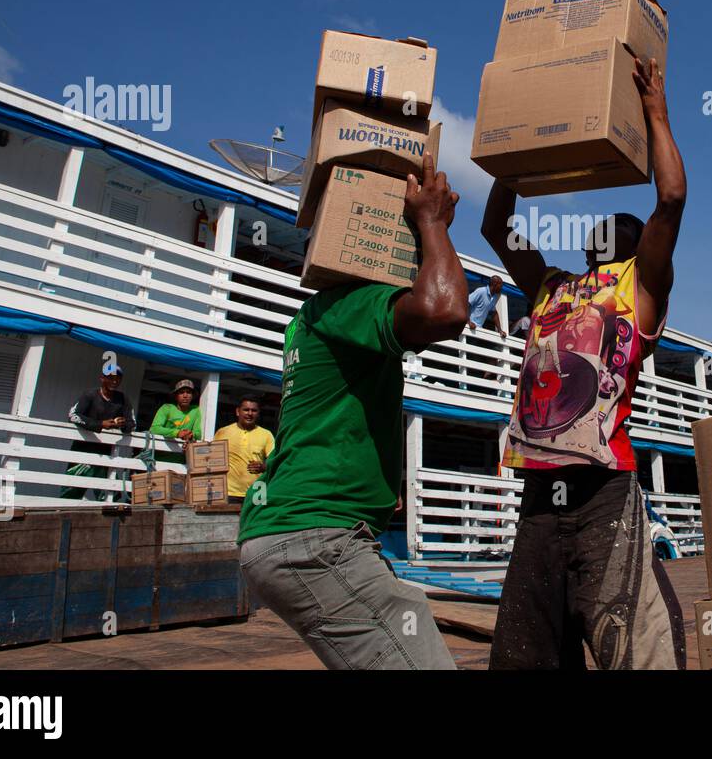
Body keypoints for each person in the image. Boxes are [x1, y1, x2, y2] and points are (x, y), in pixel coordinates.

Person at [480, 55, 688, 670]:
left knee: (634, 652)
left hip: (604, 490)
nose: (608, 225)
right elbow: (497, 224)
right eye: (603, 222)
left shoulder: (637, 287)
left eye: (625, 224)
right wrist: (520, 143)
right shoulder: (549, 285)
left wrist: (654, 110)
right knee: (525, 655)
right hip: (540, 494)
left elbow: (671, 198)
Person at [239, 153, 468, 670]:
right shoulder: (349, 302)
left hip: (289, 533)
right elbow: (445, 310)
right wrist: (431, 222)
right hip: (314, 538)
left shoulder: (312, 316)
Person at [63, 364, 135, 499]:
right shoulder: (90, 395)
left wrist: (121, 423)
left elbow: (132, 423)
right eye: (111, 378)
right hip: (82, 451)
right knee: (71, 492)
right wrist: (100, 424)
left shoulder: (123, 399)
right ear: (102, 378)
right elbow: (73, 416)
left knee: (109, 496)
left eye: (118, 378)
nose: (114, 381)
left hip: (106, 454)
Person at [213, 395, 275, 504]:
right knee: (226, 521)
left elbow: (274, 461)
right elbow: (210, 458)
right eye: (246, 410)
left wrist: (263, 466)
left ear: (258, 413)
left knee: (256, 521)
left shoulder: (266, 435)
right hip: (228, 491)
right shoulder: (223, 432)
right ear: (238, 412)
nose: (250, 413)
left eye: (254, 410)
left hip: (257, 491)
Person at [149, 379, 203, 463]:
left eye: (188, 392)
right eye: (181, 392)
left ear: (192, 396)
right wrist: (177, 433)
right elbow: (154, 429)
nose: (185, 395)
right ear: (176, 396)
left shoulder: (196, 410)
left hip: (181, 462)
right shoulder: (166, 408)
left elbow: (198, 433)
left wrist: (191, 435)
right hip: (158, 460)